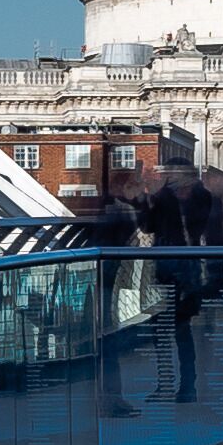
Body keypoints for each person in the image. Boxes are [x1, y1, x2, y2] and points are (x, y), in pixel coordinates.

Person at [139, 157, 223, 402]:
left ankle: (187, 385)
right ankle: (169, 383)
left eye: (172, 173)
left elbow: (203, 226)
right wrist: (150, 199)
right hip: (168, 268)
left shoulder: (200, 196)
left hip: (186, 270)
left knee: (180, 329)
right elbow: (147, 227)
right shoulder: (165, 196)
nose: (170, 177)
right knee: (162, 329)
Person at [94, 178, 143, 417]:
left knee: (105, 343)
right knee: (108, 343)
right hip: (108, 286)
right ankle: (111, 401)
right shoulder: (119, 214)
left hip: (103, 284)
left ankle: (109, 400)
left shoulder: (106, 213)